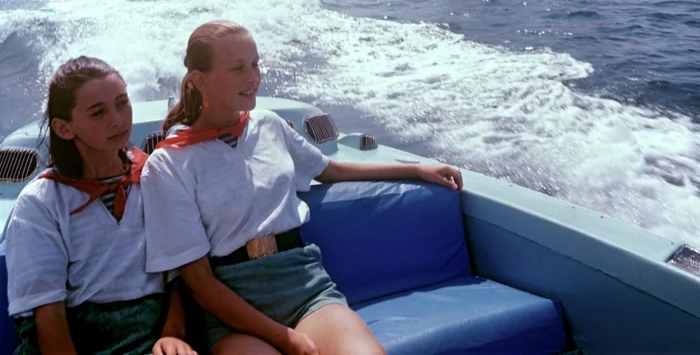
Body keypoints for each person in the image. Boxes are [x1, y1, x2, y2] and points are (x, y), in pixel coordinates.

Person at [141, 21, 463, 355]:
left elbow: (330, 169)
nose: (253, 78)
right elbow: (201, 284)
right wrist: (286, 339)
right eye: (237, 69)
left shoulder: (269, 125)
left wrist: (418, 171)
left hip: (304, 284)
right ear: (199, 80)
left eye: (255, 64)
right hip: (230, 304)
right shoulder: (168, 165)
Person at [4, 57, 196, 355]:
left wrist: (174, 335)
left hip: (152, 335)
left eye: (122, 103)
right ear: (64, 128)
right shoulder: (41, 202)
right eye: (98, 112)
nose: (118, 119)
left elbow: (178, 272)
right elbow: (49, 316)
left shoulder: (155, 177)